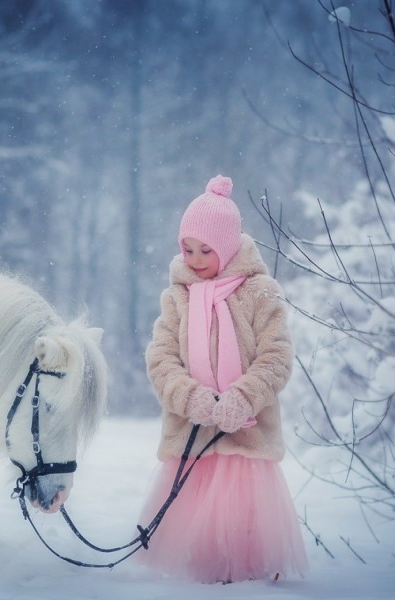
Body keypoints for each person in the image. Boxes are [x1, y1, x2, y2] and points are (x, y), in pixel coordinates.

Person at [137, 174, 308, 584]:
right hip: (192, 439)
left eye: (206, 250)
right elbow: (160, 358)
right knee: (195, 558)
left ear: (229, 247)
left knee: (244, 538)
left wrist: (244, 397)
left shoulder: (260, 292)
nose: (194, 259)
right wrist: (188, 397)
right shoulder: (177, 296)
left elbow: (277, 356)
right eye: (187, 248)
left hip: (246, 442)